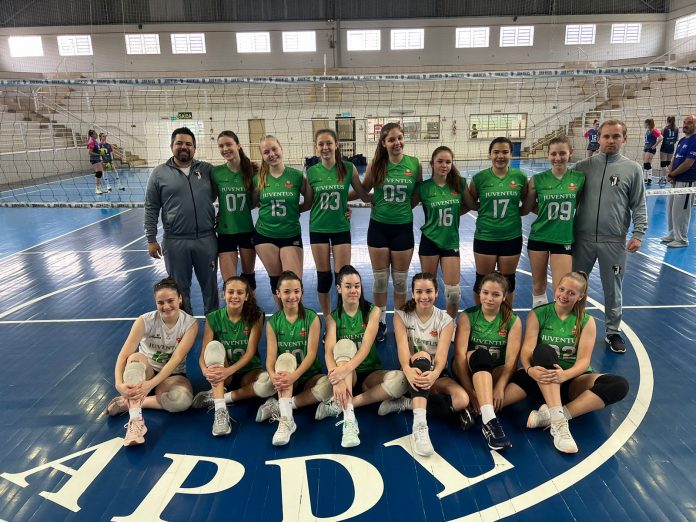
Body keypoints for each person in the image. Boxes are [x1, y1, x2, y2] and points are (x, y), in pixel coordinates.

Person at [504, 272, 629, 454]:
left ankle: (556, 420)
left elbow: (584, 361)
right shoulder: (539, 313)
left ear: (580, 296)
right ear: (556, 288)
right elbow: (528, 349)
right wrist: (530, 370)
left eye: (571, 293)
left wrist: (564, 375)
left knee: (619, 385)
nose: (564, 295)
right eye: (561, 289)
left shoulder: (586, 321)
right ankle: (557, 416)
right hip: (539, 376)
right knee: (542, 351)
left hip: (571, 379)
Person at [573, 119, 647, 354]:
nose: (610, 141)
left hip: (614, 241)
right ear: (599, 138)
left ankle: (613, 331)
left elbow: (638, 204)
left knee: (613, 288)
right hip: (582, 239)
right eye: (606, 136)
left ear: (624, 139)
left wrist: (638, 233)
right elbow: (566, 198)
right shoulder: (582, 167)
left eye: (616, 136)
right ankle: (571, 327)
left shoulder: (632, 169)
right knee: (575, 286)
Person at [315, 265, 410, 447]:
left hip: (368, 374)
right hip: (347, 375)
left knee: (401, 380)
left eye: (357, 286)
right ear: (339, 288)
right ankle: (349, 419)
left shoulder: (373, 311)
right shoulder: (332, 318)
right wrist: (337, 376)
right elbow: (329, 351)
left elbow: (365, 348)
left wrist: (341, 372)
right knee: (344, 345)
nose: (353, 290)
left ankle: (342, 404)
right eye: (348, 286)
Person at [105, 278, 197, 446]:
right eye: (160, 302)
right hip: (146, 372)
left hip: (172, 375)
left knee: (183, 401)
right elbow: (123, 355)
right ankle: (136, 421)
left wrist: (151, 385)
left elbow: (176, 359)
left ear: (180, 299)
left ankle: (127, 403)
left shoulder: (190, 324)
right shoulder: (144, 320)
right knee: (134, 359)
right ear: (155, 302)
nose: (166, 306)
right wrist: (119, 384)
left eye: (170, 300)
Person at [386, 273, 468, 457]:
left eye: (429, 291)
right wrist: (407, 370)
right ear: (412, 293)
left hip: (435, 374)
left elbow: (441, 357)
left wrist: (434, 374)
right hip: (411, 372)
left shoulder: (446, 320)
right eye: (419, 291)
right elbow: (402, 348)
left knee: (462, 400)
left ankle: (408, 403)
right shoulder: (401, 316)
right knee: (423, 356)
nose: (424, 296)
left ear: (437, 292)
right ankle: (420, 426)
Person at [144, 127, 219, 315]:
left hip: (206, 238)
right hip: (175, 241)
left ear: (194, 148)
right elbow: (151, 207)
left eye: (188, 144)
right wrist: (151, 239)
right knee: (179, 290)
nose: (184, 147)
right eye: (179, 143)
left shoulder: (207, 170)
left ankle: (213, 324)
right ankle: (185, 326)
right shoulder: (159, 173)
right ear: (171, 146)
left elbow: (227, 187)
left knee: (210, 287)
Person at [362, 123, 423, 342]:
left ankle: (399, 321)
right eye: (391, 139)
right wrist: (344, 203)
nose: (397, 143)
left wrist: (402, 208)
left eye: (400, 138)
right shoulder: (376, 164)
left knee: (400, 282)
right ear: (383, 143)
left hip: (402, 228)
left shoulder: (415, 164)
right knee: (380, 281)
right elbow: (364, 190)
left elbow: (417, 194)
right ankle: (381, 322)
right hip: (378, 227)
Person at [255, 271, 328, 446]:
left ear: (301, 292)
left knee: (330, 385)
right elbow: (271, 357)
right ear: (278, 293)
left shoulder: (312, 318)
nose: (292, 296)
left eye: (296, 291)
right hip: (284, 377)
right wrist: (273, 375)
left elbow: (311, 354)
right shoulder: (273, 322)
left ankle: (281, 405)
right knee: (284, 359)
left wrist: (294, 376)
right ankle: (287, 421)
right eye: (286, 292)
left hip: (308, 375)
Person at [305, 129, 370, 319]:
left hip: (341, 227)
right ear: (316, 147)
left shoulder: (348, 168)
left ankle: (343, 317)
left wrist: (343, 201)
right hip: (318, 227)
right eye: (321, 144)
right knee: (324, 278)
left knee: (342, 277)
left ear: (336, 145)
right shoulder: (311, 171)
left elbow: (362, 193)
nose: (325, 147)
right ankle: (328, 318)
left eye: (329, 143)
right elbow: (308, 202)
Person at [453, 273, 521, 450]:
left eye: (495, 294)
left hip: (495, 374)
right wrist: (469, 389)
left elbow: (512, 361)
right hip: (468, 369)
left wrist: (500, 387)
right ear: (480, 293)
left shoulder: (512, 320)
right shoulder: (468, 316)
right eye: (485, 293)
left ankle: (476, 408)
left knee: (525, 378)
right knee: (481, 355)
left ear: (504, 296)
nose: (489, 298)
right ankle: (490, 420)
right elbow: (459, 356)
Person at [191, 276, 265, 436]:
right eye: (230, 292)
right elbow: (204, 352)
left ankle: (219, 397)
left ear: (246, 296)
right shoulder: (213, 317)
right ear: (223, 294)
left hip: (248, 371)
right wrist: (205, 370)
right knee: (213, 347)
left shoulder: (256, 315)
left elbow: (250, 352)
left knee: (268, 383)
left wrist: (228, 371)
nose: (235, 296)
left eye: (240, 292)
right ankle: (220, 411)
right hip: (224, 374)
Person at [522, 137, 585, 308]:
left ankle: (558, 321)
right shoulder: (537, 179)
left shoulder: (579, 178)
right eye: (554, 154)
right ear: (548, 155)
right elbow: (527, 208)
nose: (558, 158)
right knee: (538, 286)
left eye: (562, 153)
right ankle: (539, 319)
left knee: (562, 289)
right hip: (539, 237)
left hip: (563, 238)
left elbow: (576, 204)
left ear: (570, 154)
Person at [416, 146, 474, 318]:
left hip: (450, 240)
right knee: (428, 288)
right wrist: (375, 203)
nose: (444, 165)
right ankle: (427, 322)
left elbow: (471, 205)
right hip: (430, 240)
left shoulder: (459, 184)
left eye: (448, 162)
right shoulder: (424, 188)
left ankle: (450, 324)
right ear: (432, 163)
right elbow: (404, 205)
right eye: (440, 161)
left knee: (453, 292)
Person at [468, 137, 528, 305]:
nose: (500, 156)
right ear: (490, 155)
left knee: (508, 281)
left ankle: (506, 317)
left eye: (505, 152)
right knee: (482, 281)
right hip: (485, 236)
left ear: (511, 154)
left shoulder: (520, 177)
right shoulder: (479, 178)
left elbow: (526, 204)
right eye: (496, 152)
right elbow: (472, 203)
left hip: (511, 236)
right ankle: (480, 317)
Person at [253, 136, 308, 300]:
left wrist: (344, 208)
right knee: (276, 283)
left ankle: (295, 316)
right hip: (264, 235)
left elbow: (312, 200)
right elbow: (252, 203)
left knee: (293, 284)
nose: (271, 154)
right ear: (262, 156)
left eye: (274, 149)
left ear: (281, 148)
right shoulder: (258, 178)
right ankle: (282, 317)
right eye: (266, 152)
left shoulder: (297, 176)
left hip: (290, 234)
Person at [212, 131, 257, 286]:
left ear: (238, 145)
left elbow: (255, 202)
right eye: (221, 146)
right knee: (230, 283)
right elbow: (210, 197)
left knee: (249, 278)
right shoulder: (216, 172)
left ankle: (251, 303)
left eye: (228, 144)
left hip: (246, 230)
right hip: (225, 231)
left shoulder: (252, 171)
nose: (225, 149)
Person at [664, 114, 696, 248]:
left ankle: (682, 239)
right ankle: (672, 234)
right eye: (684, 122)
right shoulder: (682, 140)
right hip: (676, 180)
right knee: (671, 209)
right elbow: (674, 159)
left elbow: (688, 163)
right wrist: (671, 174)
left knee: (681, 211)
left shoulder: (695, 140)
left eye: (689, 122)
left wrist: (672, 174)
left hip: (687, 181)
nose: (685, 125)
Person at [658, 116, 679, 184]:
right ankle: (671, 177)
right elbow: (676, 139)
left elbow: (660, 136)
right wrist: (671, 142)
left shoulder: (665, 128)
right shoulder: (676, 129)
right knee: (668, 163)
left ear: (667, 121)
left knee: (663, 164)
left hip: (664, 147)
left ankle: (664, 178)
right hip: (671, 147)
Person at [642, 118, 663, 185]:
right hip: (646, 147)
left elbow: (661, 137)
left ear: (648, 124)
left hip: (650, 148)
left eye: (645, 123)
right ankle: (647, 179)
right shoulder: (648, 130)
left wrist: (655, 145)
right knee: (646, 163)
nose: (644, 124)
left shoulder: (654, 130)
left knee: (646, 163)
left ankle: (647, 179)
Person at [87, 129, 106, 194]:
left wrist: (101, 151)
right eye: (95, 134)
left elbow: (96, 150)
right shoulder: (91, 142)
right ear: (92, 135)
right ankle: (97, 189)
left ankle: (99, 187)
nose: (97, 134)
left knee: (100, 172)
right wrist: (99, 154)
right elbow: (90, 152)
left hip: (98, 158)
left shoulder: (95, 141)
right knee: (98, 173)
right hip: (94, 159)